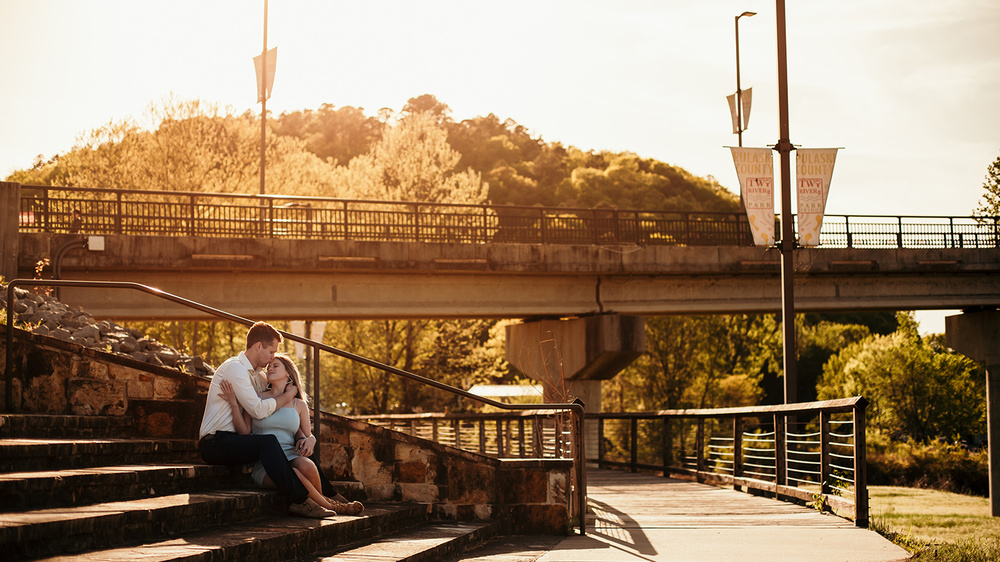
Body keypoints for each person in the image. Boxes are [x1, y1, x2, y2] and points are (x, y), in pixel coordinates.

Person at [197, 322, 335, 519]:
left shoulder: (256, 376)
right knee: (268, 442)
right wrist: (288, 396)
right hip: (215, 443)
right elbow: (259, 410)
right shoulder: (235, 369)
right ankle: (300, 501)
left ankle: (330, 495)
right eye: (272, 352)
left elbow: (274, 393)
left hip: (238, 440)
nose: (273, 358)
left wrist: (309, 437)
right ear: (258, 346)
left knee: (300, 449)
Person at [221, 352, 364, 515]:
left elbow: (305, 436)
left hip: (292, 455)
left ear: (288, 373)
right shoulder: (256, 398)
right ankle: (333, 506)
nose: (270, 368)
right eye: (269, 366)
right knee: (294, 473)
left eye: (276, 366)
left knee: (308, 465)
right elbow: (244, 432)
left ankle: (324, 501)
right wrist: (233, 403)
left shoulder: (299, 404)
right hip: (266, 464)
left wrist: (311, 440)